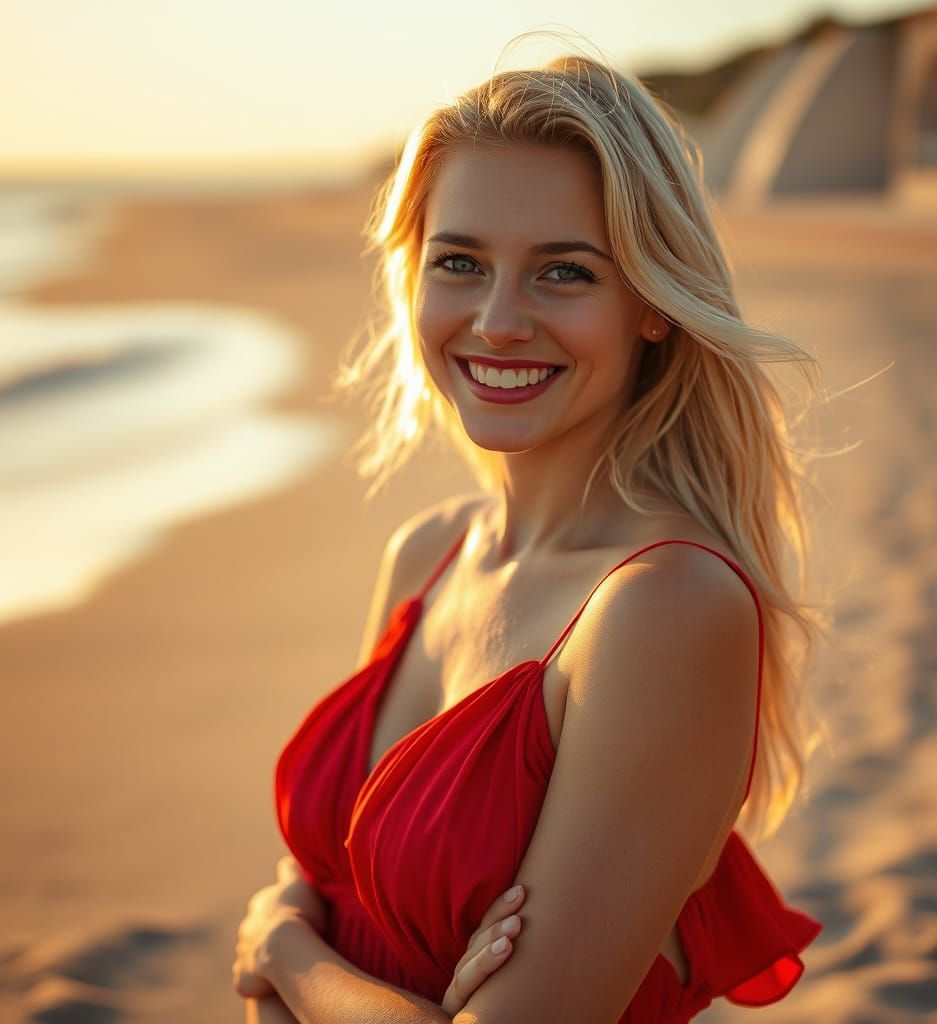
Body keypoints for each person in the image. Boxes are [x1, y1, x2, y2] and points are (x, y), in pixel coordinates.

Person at [232, 41, 830, 1024]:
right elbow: (331, 876)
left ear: (652, 303)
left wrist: (282, 951)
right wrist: (307, 929)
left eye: (563, 272)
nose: (498, 321)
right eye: (459, 263)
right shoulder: (427, 556)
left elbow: (299, 926)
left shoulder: (664, 607)